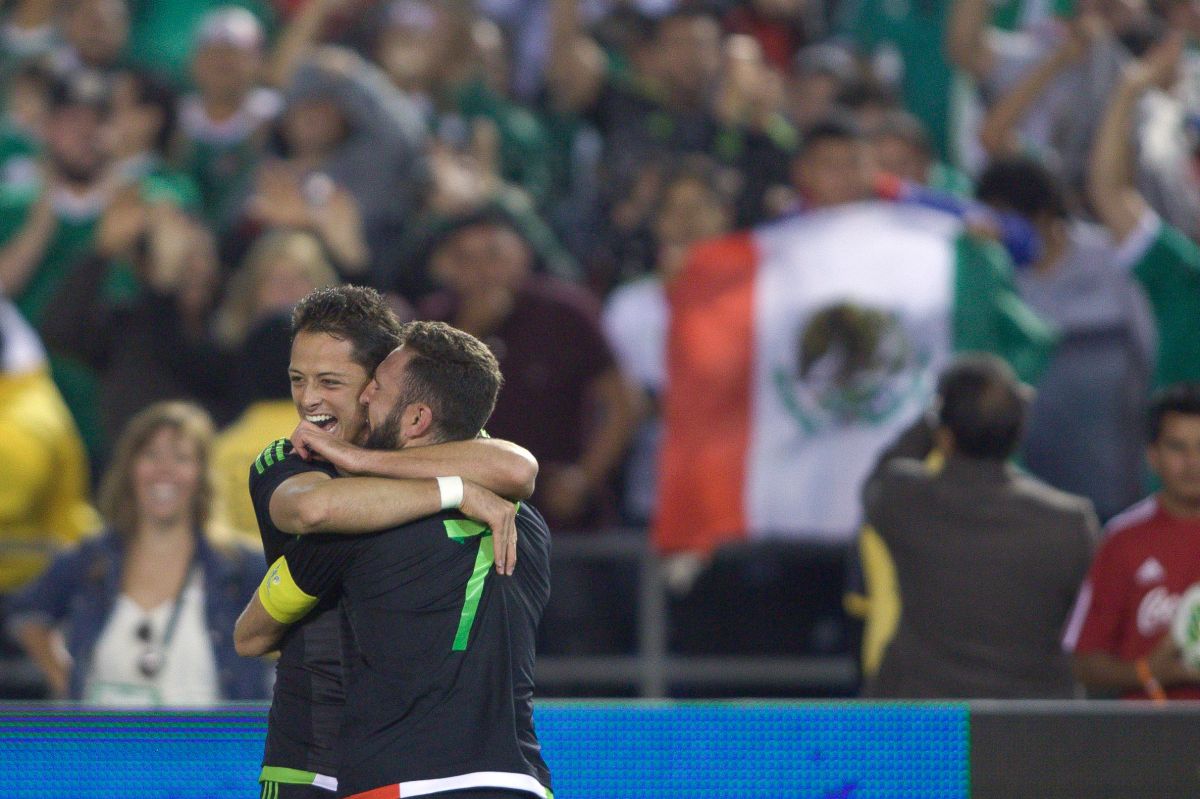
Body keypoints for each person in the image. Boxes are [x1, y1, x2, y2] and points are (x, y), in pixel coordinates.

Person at [237, 286, 538, 798]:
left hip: (402, 757)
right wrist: (453, 491)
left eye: (330, 382)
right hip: (309, 751)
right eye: (297, 379)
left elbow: (517, 466)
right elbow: (314, 508)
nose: (308, 400)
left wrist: (368, 462)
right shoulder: (288, 459)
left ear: (377, 382)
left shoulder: (436, 448)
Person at [864, 354, 1097, 698]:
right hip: (1035, 729)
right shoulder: (1071, 523)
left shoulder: (903, 499)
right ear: (1019, 429)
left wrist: (936, 416)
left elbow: (881, 477)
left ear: (945, 436)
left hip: (922, 726)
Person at [8, 401, 271, 704]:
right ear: (130, 467)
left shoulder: (241, 566)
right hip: (102, 746)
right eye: (151, 455)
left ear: (202, 474)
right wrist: (67, 682)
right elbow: (26, 612)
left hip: (211, 748)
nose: (164, 470)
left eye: (181, 458)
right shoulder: (92, 558)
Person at [1064, 383, 1200, 700]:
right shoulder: (1123, 540)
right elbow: (1083, 664)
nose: (1193, 462)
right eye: (1178, 447)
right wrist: (1149, 672)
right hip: (1144, 741)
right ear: (1153, 456)